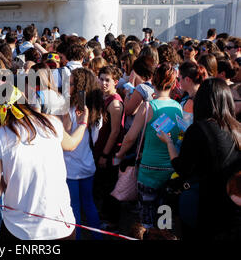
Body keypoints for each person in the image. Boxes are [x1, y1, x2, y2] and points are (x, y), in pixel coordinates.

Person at [0, 85, 90, 240]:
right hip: (60, 227)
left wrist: (9, 178)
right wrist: (82, 124)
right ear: (24, 99)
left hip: (18, 229)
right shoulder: (51, 123)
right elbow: (72, 144)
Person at [157, 78, 241, 240]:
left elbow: (182, 168)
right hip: (231, 206)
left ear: (201, 101)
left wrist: (168, 143)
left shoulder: (199, 129)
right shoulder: (237, 128)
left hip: (204, 204)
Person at [116, 63, 183, 233]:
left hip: (148, 170)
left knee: (146, 220)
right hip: (170, 170)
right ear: (174, 84)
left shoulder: (148, 107)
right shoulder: (178, 107)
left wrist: (120, 153)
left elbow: (130, 137)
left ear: (153, 81)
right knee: (164, 221)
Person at [62, 68, 105, 240]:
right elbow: (94, 139)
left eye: (71, 84)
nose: (67, 87)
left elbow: (64, 137)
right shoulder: (96, 110)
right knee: (89, 204)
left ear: (80, 87)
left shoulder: (71, 109)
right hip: (88, 165)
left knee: (74, 207)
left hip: (70, 167)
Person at [93, 65, 125, 231]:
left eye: (108, 80)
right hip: (100, 149)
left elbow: (115, 132)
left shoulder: (114, 103)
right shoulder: (103, 97)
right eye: (101, 78)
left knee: (110, 188)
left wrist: (105, 155)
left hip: (110, 152)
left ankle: (111, 222)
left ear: (116, 82)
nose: (103, 83)